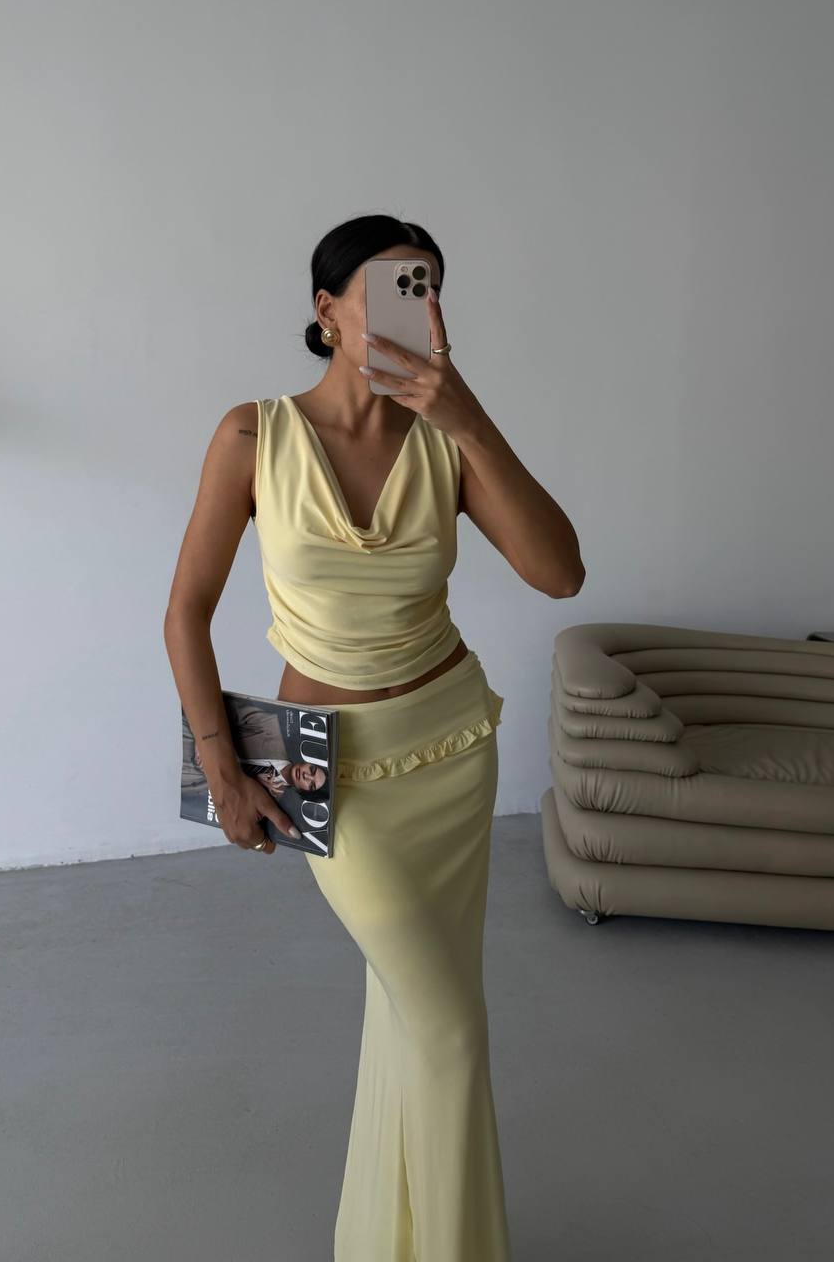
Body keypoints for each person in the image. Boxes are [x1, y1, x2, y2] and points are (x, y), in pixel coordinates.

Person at [163, 213, 585, 1262]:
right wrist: (220, 764)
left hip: (453, 747)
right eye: (396, 285)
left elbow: (560, 572)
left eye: (429, 286)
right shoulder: (252, 436)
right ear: (327, 310)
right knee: (448, 1027)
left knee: (416, 1015)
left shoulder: (445, 439)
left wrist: (473, 421)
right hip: (330, 768)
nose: (419, 305)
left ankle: (393, 1240)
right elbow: (186, 612)